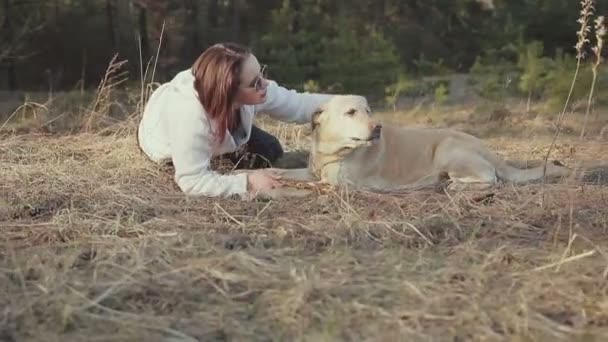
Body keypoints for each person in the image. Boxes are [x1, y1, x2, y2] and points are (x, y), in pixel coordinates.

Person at [137, 42, 336, 198]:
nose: (265, 84)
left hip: (220, 119)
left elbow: (296, 103)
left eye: (262, 75)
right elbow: (192, 181)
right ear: (228, 92)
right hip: (163, 142)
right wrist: (247, 182)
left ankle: (225, 153)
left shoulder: (249, 90)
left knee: (269, 150)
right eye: (255, 83)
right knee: (235, 166)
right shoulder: (189, 115)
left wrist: (345, 105)